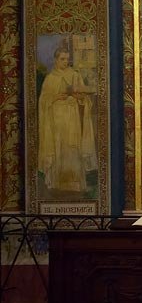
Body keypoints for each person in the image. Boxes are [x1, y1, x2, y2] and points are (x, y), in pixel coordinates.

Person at [38, 43, 96, 194]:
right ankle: (57, 184)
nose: (65, 62)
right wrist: (56, 97)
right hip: (57, 121)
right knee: (59, 148)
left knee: (73, 148)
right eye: (62, 59)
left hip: (72, 118)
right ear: (56, 60)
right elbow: (43, 101)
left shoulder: (75, 75)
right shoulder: (50, 78)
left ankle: (75, 184)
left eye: (67, 59)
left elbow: (84, 98)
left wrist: (80, 98)